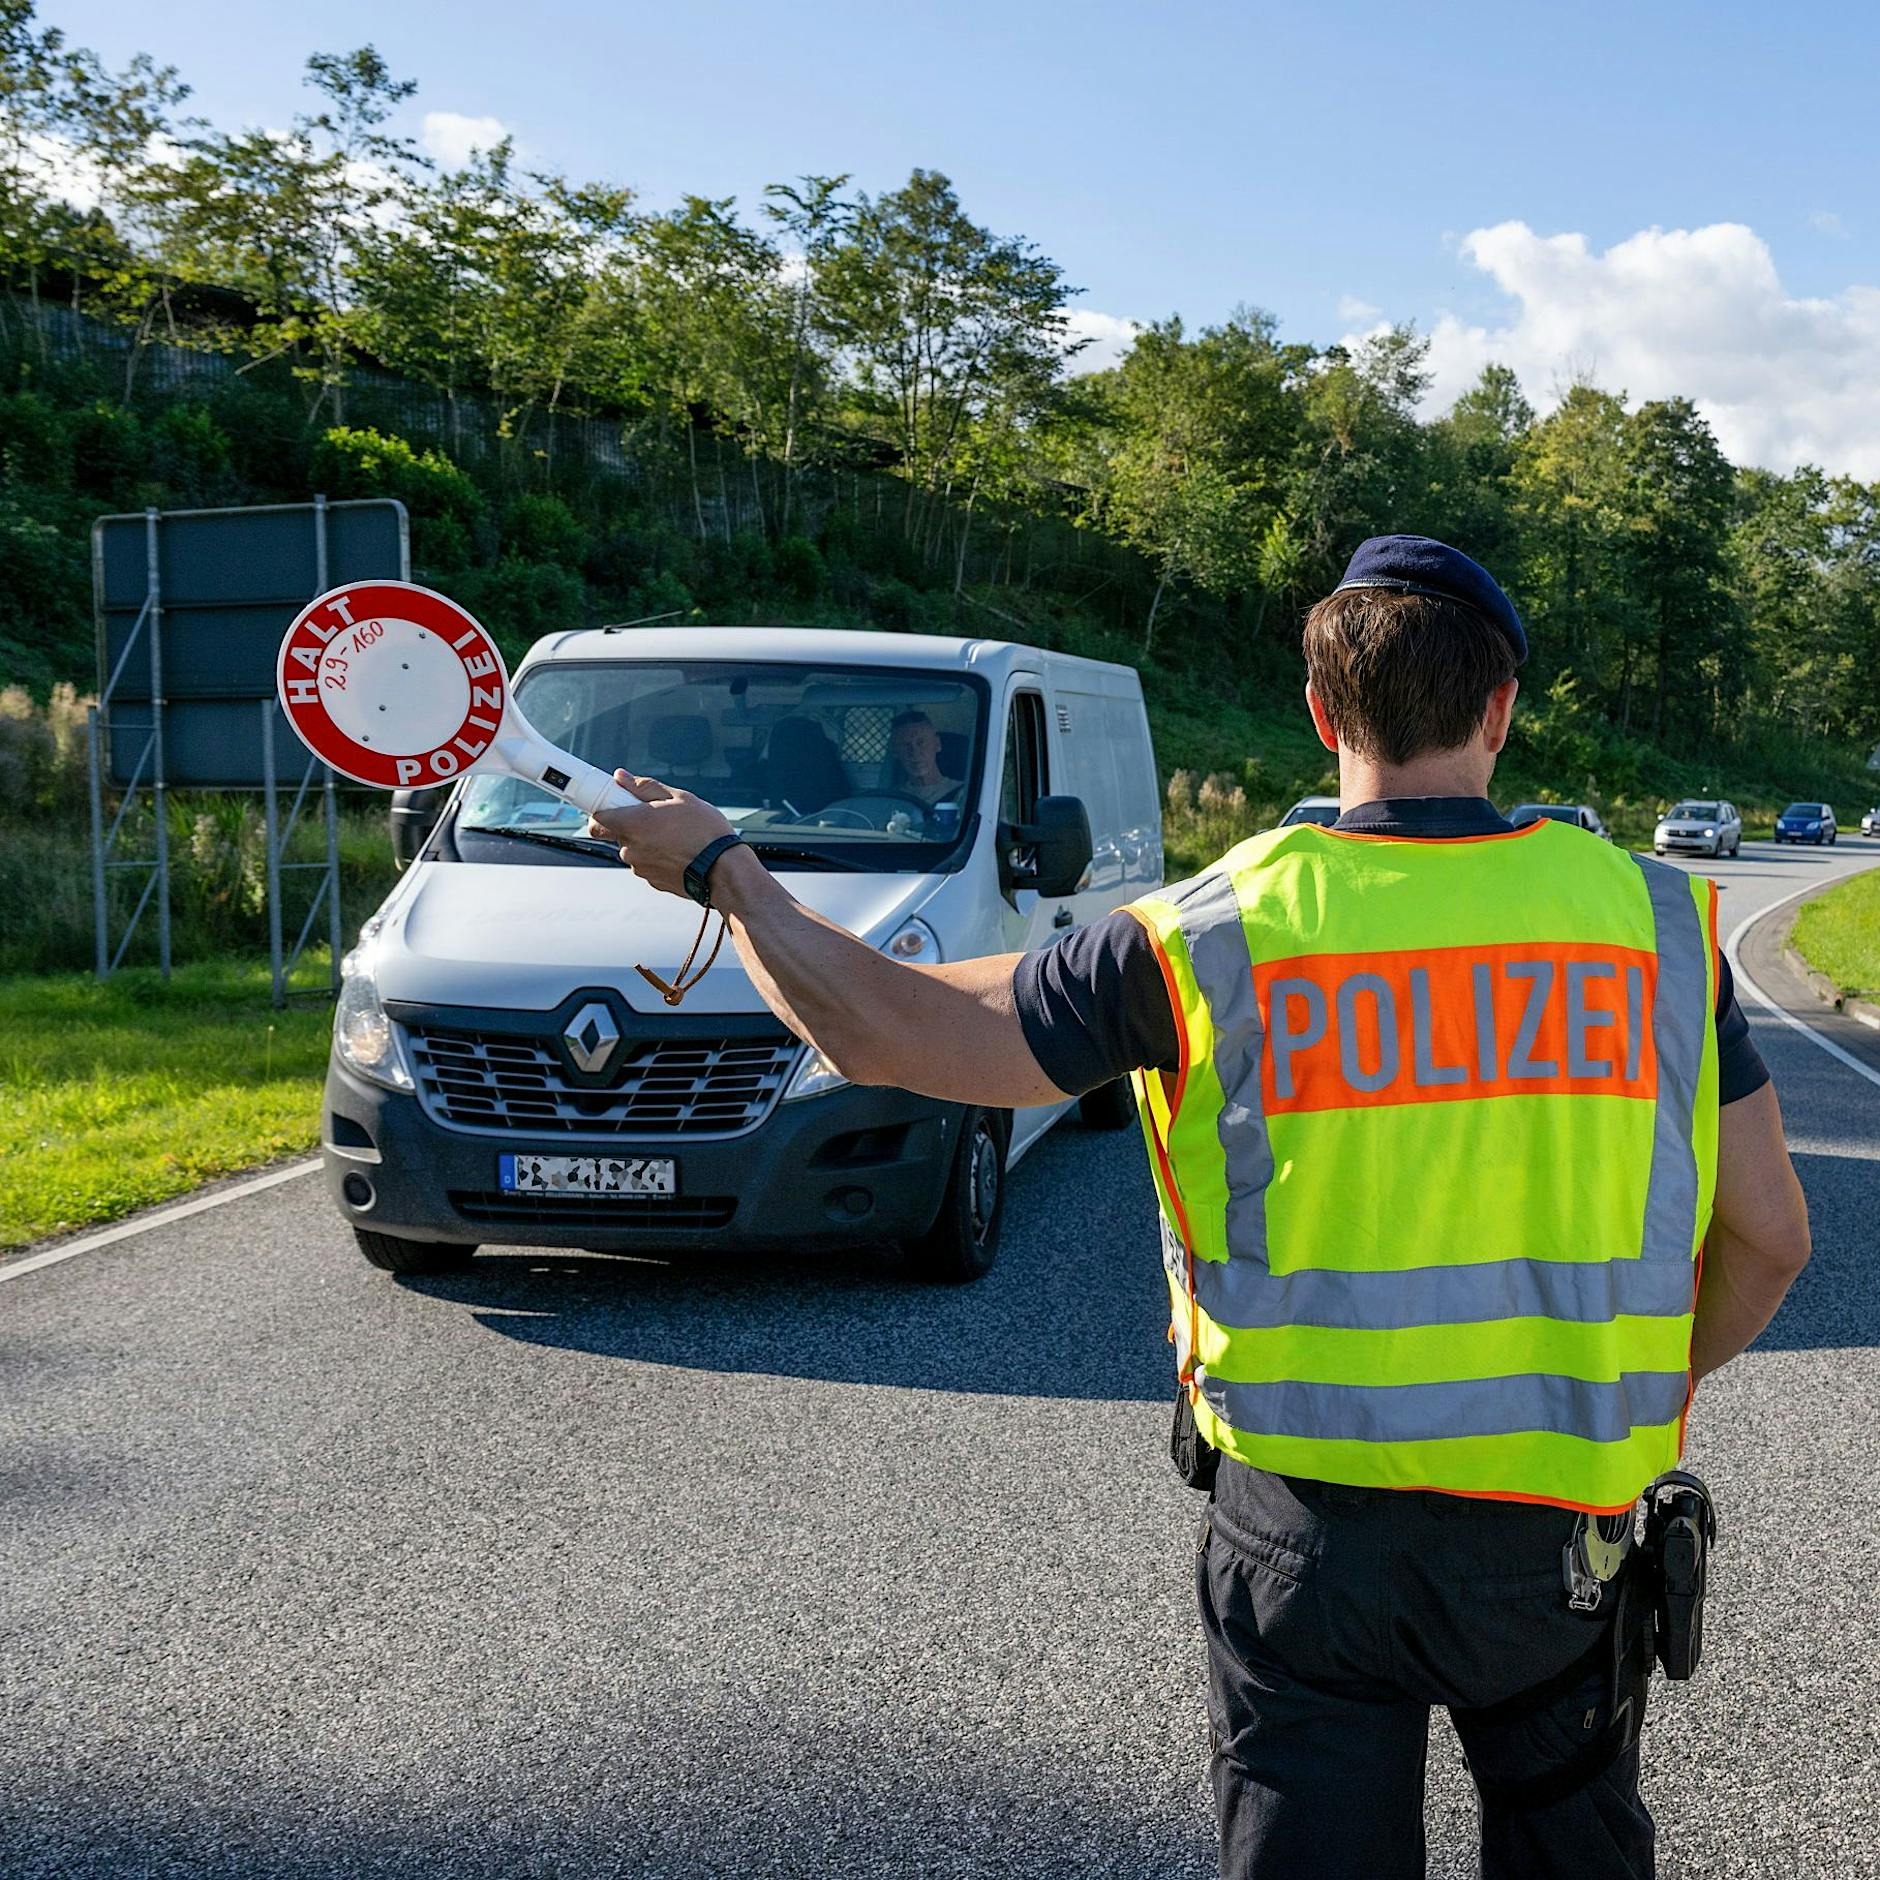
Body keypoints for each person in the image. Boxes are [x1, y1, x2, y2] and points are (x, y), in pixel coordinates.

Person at [590, 535, 1812, 1880]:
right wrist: (1612, 1376)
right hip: (1561, 1539)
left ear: (1321, 712)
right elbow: (1770, 1238)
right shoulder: (1654, 927)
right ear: (1501, 711)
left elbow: (888, 1031)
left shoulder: (1206, 935)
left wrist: (725, 873)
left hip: (1308, 1546)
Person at [887, 709, 963, 806]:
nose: (915, 752)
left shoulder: (962, 794)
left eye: (921, 743)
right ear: (895, 752)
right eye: (905, 745)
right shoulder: (892, 799)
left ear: (937, 744)